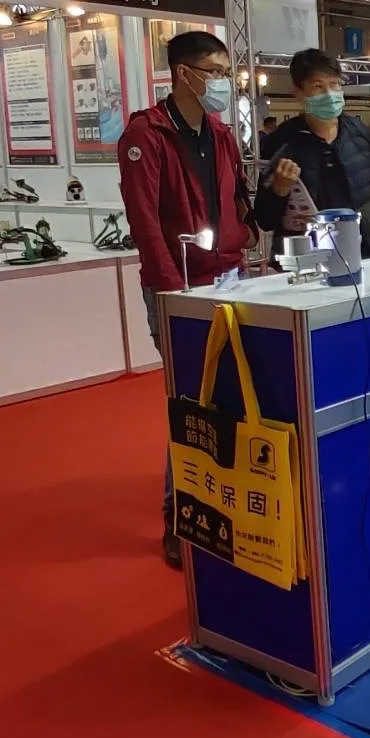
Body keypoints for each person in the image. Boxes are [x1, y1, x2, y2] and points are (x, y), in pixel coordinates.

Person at [117, 29, 255, 570]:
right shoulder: (146, 134)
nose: (222, 81)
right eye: (213, 71)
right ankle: (178, 515)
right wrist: (172, 289)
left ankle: (226, 503)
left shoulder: (221, 134)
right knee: (191, 404)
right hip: (178, 286)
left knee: (232, 396)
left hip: (229, 278)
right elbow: (145, 219)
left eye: (225, 72)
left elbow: (236, 201)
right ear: (184, 73)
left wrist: (246, 250)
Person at [252, 49, 370, 256]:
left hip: (365, 252)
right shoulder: (280, 144)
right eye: (318, 86)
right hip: (305, 258)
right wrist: (279, 190)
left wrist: (353, 221)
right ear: (298, 92)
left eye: (334, 84)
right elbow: (264, 220)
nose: (329, 94)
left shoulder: (364, 137)